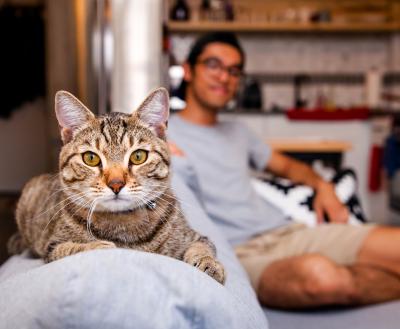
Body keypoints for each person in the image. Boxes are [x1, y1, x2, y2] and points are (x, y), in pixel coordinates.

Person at [167, 32, 400, 309]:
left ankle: (354, 275)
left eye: (234, 70)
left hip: (287, 233)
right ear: (188, 70)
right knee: (322, 279)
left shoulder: (239, 132)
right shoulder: (161, 136)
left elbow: (288, 166)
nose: (224, 77)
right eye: (213, 65)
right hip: (238, 254)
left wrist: (324, 187)